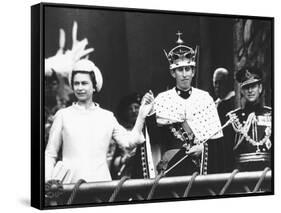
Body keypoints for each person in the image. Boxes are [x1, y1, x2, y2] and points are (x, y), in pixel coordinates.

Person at [45, 59, 153, 183]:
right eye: (76, 83)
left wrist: (141, 115)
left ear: (94, 86)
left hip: (100, 183)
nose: (80, 88)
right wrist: (48, 181)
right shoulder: (63, 115)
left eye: (84, 83)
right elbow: (50, 154)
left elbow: (128, 143)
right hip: (69, 184)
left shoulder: (107, 117)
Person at [145, 32, 223, 177]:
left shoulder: (205, 98)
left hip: (199, 168)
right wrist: (149, 112)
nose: (184, 74)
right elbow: (154, 138)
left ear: (193, 72)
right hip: (172, 166)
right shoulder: (162, 99)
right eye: (180, 70)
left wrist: (203, 149)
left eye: (188, 69)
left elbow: (217, 142)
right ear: (173, 73)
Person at [226, 66, 272, 172]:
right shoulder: (233, 118)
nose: (250, 90)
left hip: (268, 174)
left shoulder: (271, 114)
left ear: (260, 88)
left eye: (253, 86)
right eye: (246, 87)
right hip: (242, 175)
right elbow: (227, 154)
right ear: (242, 91)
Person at [208, 68, 236, 173]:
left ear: (228, 83)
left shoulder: (234, 102)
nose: (218, 87)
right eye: (216, 83)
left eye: (221, 83)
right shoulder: (214, 104)